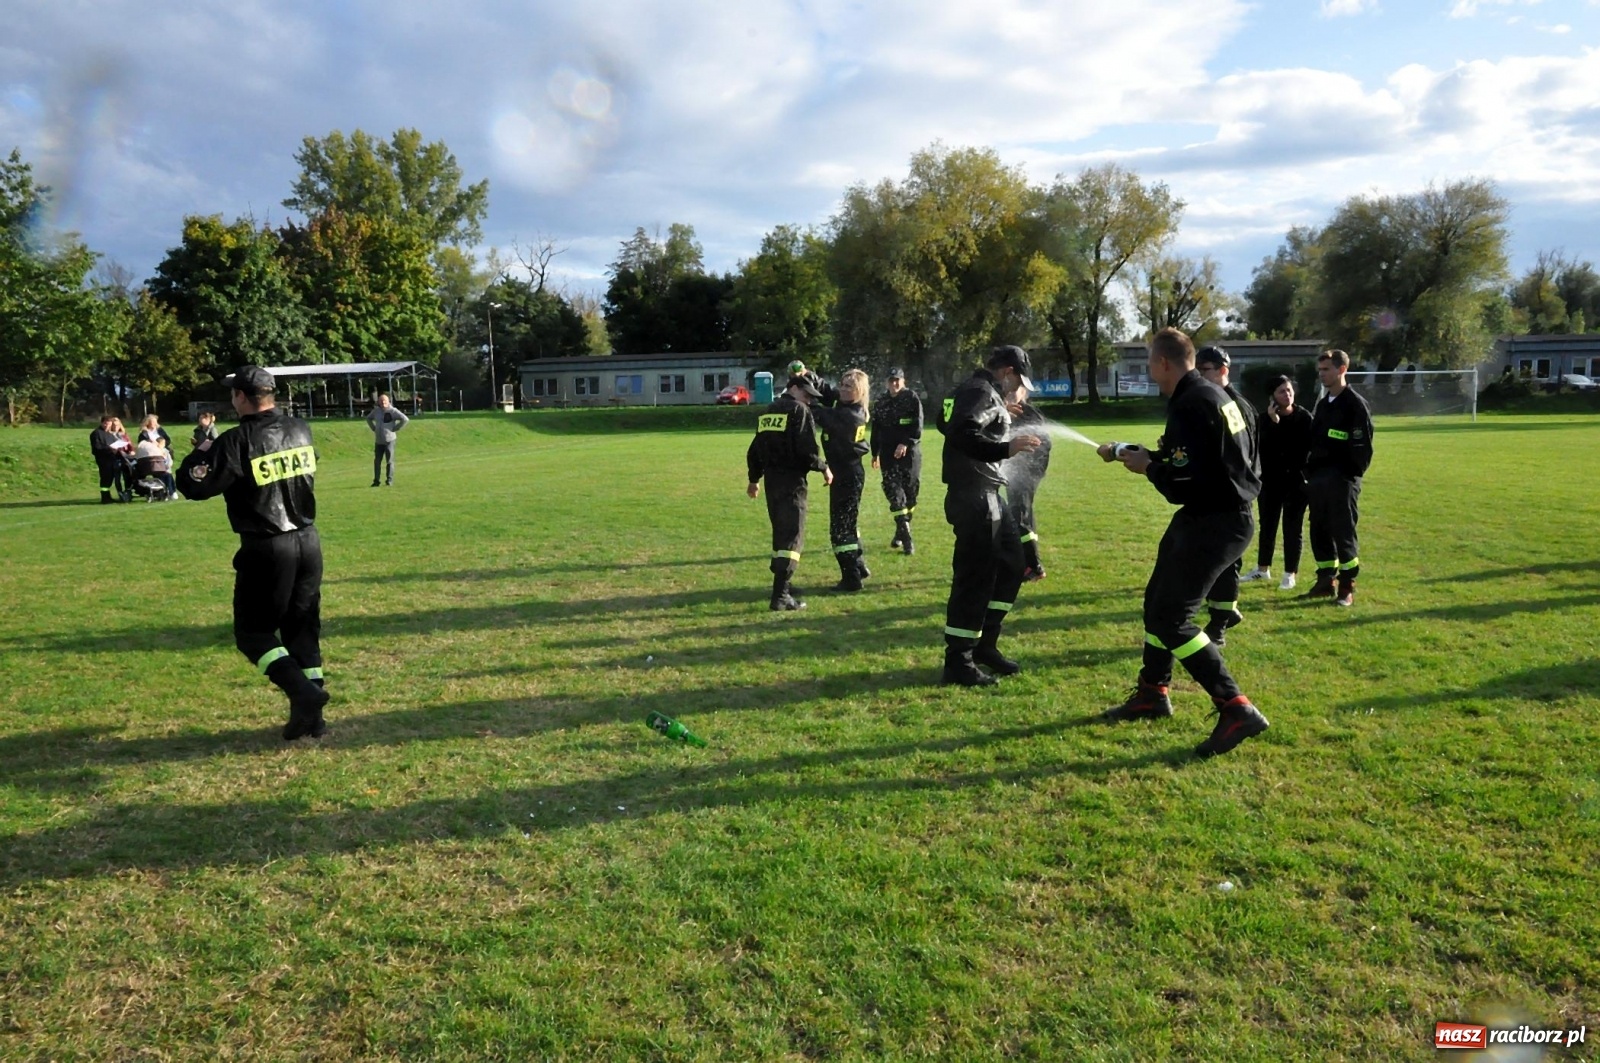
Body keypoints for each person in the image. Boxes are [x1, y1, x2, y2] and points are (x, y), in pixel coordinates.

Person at [1097, 327, 1269, 757]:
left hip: (1216, 520)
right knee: (1158, 602)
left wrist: (1146, 469)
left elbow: (1181, 482)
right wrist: (1129, 452)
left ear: (1164, 363)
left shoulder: (1192, 404)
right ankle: (1152, 692)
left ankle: (1235, 707)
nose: (1151, 371)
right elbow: (1197, 461)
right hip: (1208, 515)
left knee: (1173, 617)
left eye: (1150, 363)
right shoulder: (1210, 395)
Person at [177, 365, 330, 740]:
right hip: (308, 541)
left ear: (242, 397)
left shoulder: (234, 440)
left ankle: (305, 695)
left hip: (267, 545)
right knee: (301, 629)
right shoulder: (300, 428)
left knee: (253, 633)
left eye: (234, 393)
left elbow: (196, 487)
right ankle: (310, 718)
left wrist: (203, 448)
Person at [935, 345, 1042, 687]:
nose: (1018, 387)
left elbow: (943, 422)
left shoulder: (970, 391)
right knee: (975, 579)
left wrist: (999, 413)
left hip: (987, 494)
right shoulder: (980, 392)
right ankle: (959, 660)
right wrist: (1005, 447)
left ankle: (985, 645)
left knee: (1013, 566)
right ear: (1007, 371)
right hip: (974, 496)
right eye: (1018, 380)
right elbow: (963, 432)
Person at [747, 373, 833, 611]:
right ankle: (781, 596)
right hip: (792, 483)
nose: (808, 401)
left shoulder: (768, 411)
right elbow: (807, 451)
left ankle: (785, 585)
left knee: (780, 536)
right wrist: (824, 468)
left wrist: (754, 479)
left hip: (772, 483)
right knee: (792, 538)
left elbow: (755, 449)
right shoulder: (798, 411)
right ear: (793, 388)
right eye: (806, 394)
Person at [1194, 346, 1258, 647]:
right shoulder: (1210, 401)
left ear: (1223, 369)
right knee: (1216, 559)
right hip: (1216, 495)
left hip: (1231, 496)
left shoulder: (1233, 405)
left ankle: (1220, 622)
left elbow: (1236, 456)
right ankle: (1222, 613)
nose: (1198, 376)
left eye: (1204, 369)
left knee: (1225, 562)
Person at [1304, 349, 1374, 606]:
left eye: (1326, 370)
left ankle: (1347, 587)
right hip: (1319, 480)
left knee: (1343, 534)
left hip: (1342, 481)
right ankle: (1325, 582)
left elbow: (1361, 448)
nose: (1322, 375)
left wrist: (1346, 476)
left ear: (1341, 369)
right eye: (1320, 370)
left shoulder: (1354, 405)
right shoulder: (1323, 404)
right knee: (1319, 532)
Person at [1242, 375, 1314, 591]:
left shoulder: (1304, 418)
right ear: (1272, 396)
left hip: (1296, 483)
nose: (1287, 395)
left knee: (1293, 528)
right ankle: (1262, 569)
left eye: (1289, 390)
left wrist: (1279, 425)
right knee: (1268, 526)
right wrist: (1273, 423)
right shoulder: (1262, 420)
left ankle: (1290, 573)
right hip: (1270, 482)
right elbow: (1261, 451)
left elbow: (1300, 449)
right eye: (1282, 391)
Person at [812, 369, 872, 592]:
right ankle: (859, 566)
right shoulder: (846, 406)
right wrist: (810, 376)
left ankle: (851, 579)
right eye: (843, 384)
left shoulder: (848, 415)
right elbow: (828, 392)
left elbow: (819, 413)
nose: (843, 389)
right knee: (847, 524)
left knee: (840, 529)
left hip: (847, 474)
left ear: (859, 391)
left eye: (849, 386)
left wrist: (799, 399)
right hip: (846, 472)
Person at [1000, 382, 1052, 582]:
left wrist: (1030, 469)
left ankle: (1034, 566)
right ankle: (1026, 564)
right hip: (1015, 472)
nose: (1010, 394)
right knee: (1023, 515)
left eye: (1015, 390)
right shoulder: (1005, 411)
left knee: (1019, 515)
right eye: (1008, 391)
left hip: (1026, 473)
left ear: (1024, 392)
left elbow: (1044, 444)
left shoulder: (1029, 414)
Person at [870, 367, 923, 555]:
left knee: (911, 493)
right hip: (887, 454)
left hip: (910, 455)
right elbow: (875, 428)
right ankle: (907, 539)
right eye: (891, 380)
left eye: (897, 380)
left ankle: (900, 531)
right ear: (886, 382)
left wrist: (905, 443)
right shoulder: (881, 402)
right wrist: (874, 452)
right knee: (894, 491)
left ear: (903, 381)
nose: (894, 384)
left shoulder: (911, 398)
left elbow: (918, 425)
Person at [366, 393, 410, 487]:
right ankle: (376, 481)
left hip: (389, 440)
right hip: (378, 441)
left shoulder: (393, 411)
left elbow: (405, 419)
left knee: (389, 461)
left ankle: (389, 480)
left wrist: (396, 428)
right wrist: (373, 428)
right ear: (378, 402)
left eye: (384, 401)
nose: (383, 403)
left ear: (388, 401)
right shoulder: (376, 411)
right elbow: (368, 418)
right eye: (381, 401)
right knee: (377, 461)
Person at [89, 416, 126, 503]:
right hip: (103, 459)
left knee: (110, 477)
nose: (107, 425)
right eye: (105, 423)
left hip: (112, 458)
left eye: (109, 423)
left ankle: (108, 496)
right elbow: (96, 447)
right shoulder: (96, 433)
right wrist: (109, 448)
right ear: (102, 423)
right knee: (105, 477)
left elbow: (115, 444)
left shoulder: (110, 435)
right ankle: (104, 497)